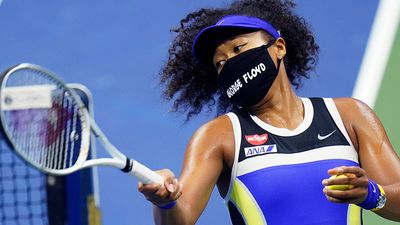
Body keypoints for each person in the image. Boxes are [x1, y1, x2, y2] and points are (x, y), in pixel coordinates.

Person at [138, 0, 400, 224]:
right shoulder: (219, 136)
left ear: (279, 48)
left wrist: (373, 194)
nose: (230, 62)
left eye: (238, 49)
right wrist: (164, 201)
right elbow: (181, 218)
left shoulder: (349, 116)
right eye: (220, 63)